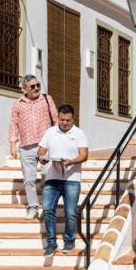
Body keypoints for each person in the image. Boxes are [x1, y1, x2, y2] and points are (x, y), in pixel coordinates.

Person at [37, 104, 88, 256]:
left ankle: (69, 241)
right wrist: (43, 157)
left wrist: (72, 161)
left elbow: (84, 154)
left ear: (73, 119)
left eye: (68, 120)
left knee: (71, 212)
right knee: (47, 209)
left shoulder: (79, 133)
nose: (64, 123)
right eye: (62, 119)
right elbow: (41, 150)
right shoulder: (50, 132)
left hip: (72, 178)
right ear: (58, 118)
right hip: (52, 177)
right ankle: (51, 243)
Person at [9, 74, 58, 219]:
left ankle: (47, 205)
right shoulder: (18, 104)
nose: (36, 88)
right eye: (32, 86)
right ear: (25, 88)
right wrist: (12, 143)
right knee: (29, 179)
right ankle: (32, 207)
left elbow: (55, 119)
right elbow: (13, 124)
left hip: (45, 145)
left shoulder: (47, 99)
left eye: (38, 85)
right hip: (26, 146)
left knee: (47, 176)